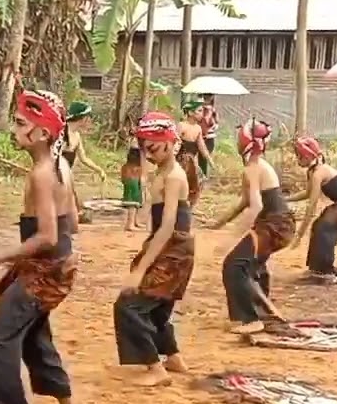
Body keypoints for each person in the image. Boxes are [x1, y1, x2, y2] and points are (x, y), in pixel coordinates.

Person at [0, 89, 88, 404]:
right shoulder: (61, 165)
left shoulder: (41, 174)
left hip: (46, 271)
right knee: (34, 336)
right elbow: (73, 224)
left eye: (21, 123)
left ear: (41, 133)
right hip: (55, 266)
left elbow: (47, 236)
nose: (14, 129)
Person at [113, 112, 194, 387]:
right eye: (145, 149)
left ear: (170, 143)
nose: (149, 154)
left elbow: (168, 226)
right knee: (158, 307)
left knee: (129, 305)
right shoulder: (163, 173)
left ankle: (155, 368)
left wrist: (141, 269)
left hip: (173, 248)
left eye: (154, 148)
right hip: (173, 247)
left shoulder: (173, 177)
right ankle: (173, 357)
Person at [210, 120, 294, 334]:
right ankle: (262, 313)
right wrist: (219, 223)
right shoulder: (257, 166)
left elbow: (256, 206)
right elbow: (245, 202)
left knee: (235, 265)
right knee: (252, 266)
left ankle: (251, 319)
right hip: (280, 223)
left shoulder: (253, 169)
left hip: (274, 225)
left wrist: (232, 238)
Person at [289, 136, 337, 280]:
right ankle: (317, 267)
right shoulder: (312, 171)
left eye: (299, 155)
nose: (297, 159)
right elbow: (308, 193)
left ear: (308, 156)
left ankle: (325, 269)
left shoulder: (318, 173)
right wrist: (285, 199)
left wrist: (299, 235)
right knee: (319, 226)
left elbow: (311, 206)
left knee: (324, 228)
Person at [61, 102, 106, 218]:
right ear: (83, 118)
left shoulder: (76, 136)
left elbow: (84, 158)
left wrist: (99, 170)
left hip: (66, 177)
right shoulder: (61, 132)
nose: (90, 120)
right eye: (89, 117)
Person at [179, 99, 213, 195]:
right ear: (190, 113)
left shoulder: (198, 128)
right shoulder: (182, 126)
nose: (202, 114)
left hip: (192, 161)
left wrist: (209, 160)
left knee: (197, 182)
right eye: (199, 111)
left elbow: (202, 146)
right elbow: (175, 142)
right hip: (180, 160)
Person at [120, 138, 146, 230]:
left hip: (131, 178)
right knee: (133, 202)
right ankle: (130, 224)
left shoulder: (126, 165)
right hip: (133, 178)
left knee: (136, 200)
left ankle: (134, 221)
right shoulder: (136, 165)